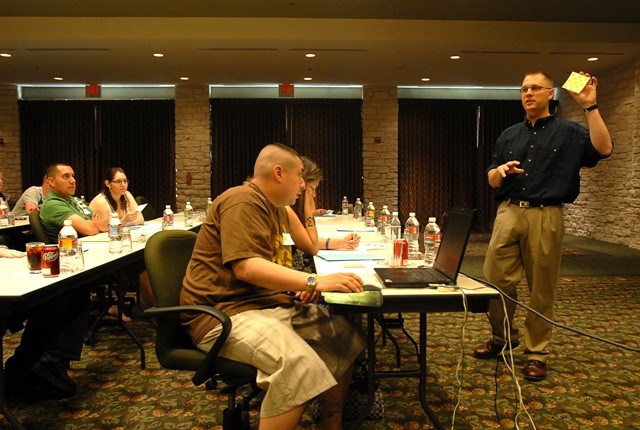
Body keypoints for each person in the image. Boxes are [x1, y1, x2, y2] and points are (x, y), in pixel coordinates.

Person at [180, 143, 366, 430]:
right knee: (298, 364)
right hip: (222, 315)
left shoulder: (275, 207)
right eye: (300, 176)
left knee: (345, 335)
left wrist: (294, 287)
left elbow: (305, 248)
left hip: (260, 305)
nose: (304, 185)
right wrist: (313, 280)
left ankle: (331, 423)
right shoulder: (241, 200)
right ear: (279, 173)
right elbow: (246, 267)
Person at [473, 71, 613, 381]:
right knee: (494, 279)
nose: (528, 93)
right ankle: (503, 337)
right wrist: (500, 172)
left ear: (550, 94)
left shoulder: (569, 131)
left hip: (546, 213)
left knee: (541, 287)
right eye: (524, 88)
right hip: (508, 211)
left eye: (536, 88)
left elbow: (603, 149)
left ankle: (536, 353)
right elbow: (492, 176)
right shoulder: (509, 134)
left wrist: (590, 106)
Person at [5, 163, 109, 401]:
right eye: (66, 176)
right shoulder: (53, 204)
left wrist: (98, 224)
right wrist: (97, 223)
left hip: (72, 264)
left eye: (73, 175)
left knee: (75, 293)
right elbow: (94, 227)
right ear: (50, 182)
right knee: (60, 299)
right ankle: (41, 363)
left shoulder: (72, 201)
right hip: (60, 264)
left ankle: (48, 361)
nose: (73, 180)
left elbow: (104, 224)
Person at [88, 167, 152, 315]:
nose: (123, 185)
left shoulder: (127, 195)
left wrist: (124, 222)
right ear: (108, 183)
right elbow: (107, 229)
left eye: (125, 181)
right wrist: (125, 220)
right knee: (139, 265)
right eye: (118, 181)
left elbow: (140, 219)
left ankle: (156, 307)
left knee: (145, 261)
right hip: (103, 249)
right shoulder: (100, 201)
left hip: (122, 243)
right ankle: (115, 305)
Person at [289, 156, 359, 273]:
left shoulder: (291, 210)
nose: (314, 194)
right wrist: (306, 205)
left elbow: (309, 241)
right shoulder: (286, 209)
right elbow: (313, 247)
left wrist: (342, 243)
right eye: (312, 188)